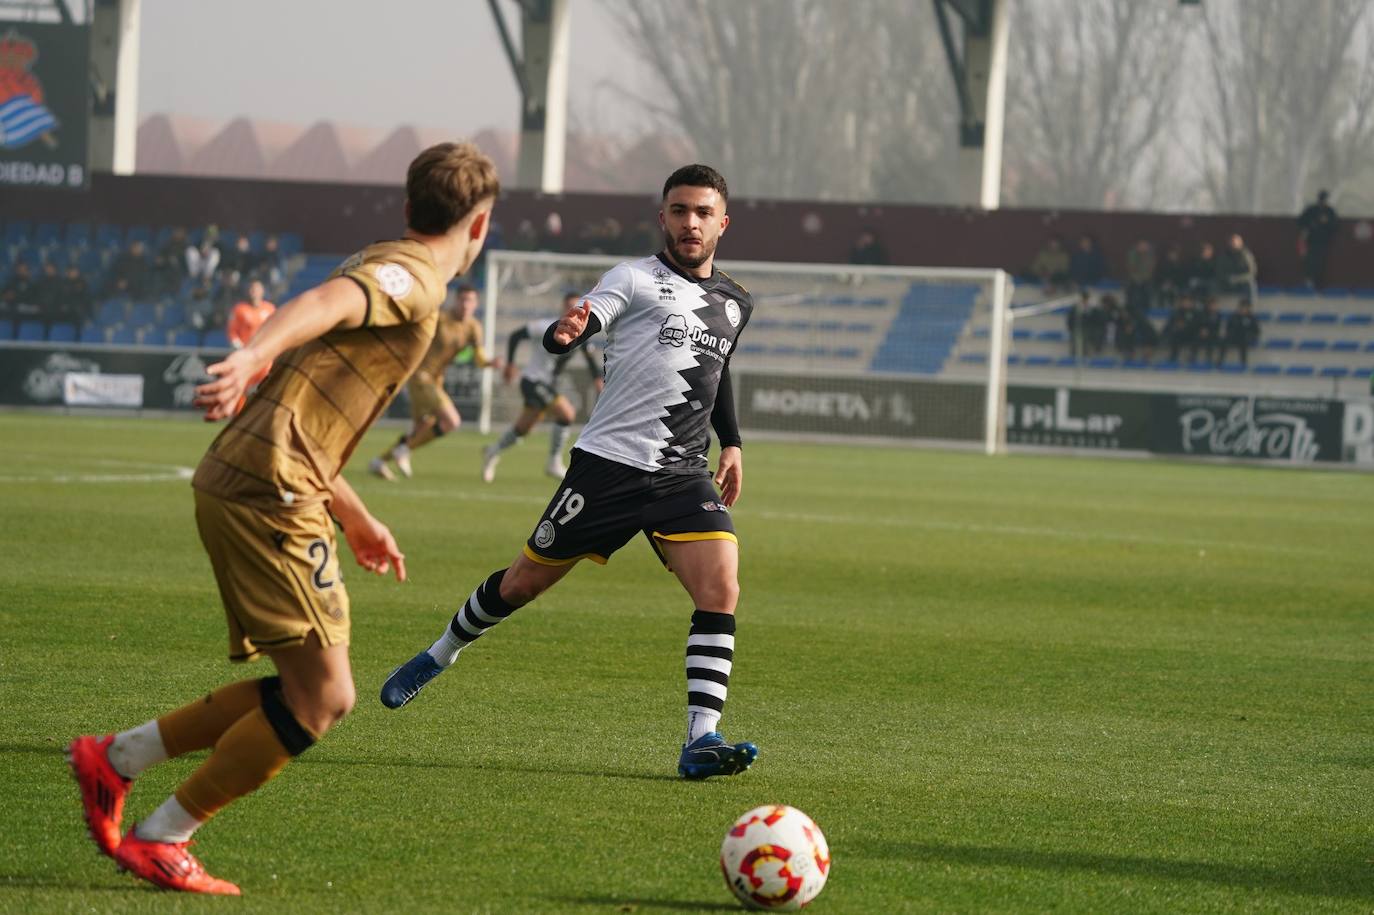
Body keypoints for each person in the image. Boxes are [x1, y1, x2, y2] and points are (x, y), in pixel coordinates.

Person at [66, 142, 500, 896]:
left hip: (265, 476)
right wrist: (252, 353)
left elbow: (315, 400)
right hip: (271, 488)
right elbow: (325, 303)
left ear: (407, 209)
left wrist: (357, 515)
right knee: (325, 696)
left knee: (303, 685)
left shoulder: (388, 253)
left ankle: (118, 759)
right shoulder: (417, 278)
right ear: (481, 225)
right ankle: (163, 834)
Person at [379, 164, 758, 782]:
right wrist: (567, 332)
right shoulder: (633, 278)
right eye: (679, 210)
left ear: (722, 222)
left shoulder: (737, 303)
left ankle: (701, 738)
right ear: (662, 217)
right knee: (523, 583)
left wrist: (733, 443)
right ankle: (439, 653)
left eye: (702, 213)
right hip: (607, 468)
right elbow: (588, 317)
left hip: (682, 474)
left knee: (721, 589)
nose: (691, 223)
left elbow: (716, 371)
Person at [370, 284, 502, 481]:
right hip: (420, 376)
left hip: (436, 381)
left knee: (422, 428)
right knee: (451, 421)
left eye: (470, 301)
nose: (466, 305)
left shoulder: (474, 327)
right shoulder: (440, 319)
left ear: (476, 304)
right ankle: (404, 450)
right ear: (455, 300)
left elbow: (479, 358)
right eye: (462, 300)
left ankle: (380, 461)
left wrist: (490, 363)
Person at [481, 292, 604, 482]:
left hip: (546, 384)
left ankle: (492, 451)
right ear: (564, 309)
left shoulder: (580, 333)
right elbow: (516, 335)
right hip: (532, 380)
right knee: (567, 414)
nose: (574, 311)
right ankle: (554, 462)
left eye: (578, 307)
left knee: (523, 429)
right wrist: (511, 364)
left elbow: (589, 358)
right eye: (570, 307)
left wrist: (597, 380)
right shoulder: (546, 326)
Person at [226, 280, 278, 413]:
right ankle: (239, 417)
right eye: (252, 289)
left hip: (265, 358)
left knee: (267, 387)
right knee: (242, 387)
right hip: (246, 357)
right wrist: (240, 349)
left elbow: (276, 330)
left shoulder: (270, 309)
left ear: (262, 291)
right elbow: (232, 332)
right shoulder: (240, 309)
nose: (254, 292)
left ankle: (262, 415)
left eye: (256, 289)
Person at [1297, 190, 1338, 289]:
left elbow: (1335, 225)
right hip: (1311, 240)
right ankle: (1309, 281)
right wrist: (1310, 225)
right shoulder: (1311, 210)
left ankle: (1319, 282)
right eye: (1322, 199)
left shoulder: (1329, 211)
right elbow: (1300, 221)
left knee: (1322, 262)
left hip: (1324, 241)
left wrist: (1326, 222)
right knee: (1310, 261)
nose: (1323, 201)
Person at [1216, 233, 1257, 298]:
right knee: (1214, 284)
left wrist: (1237, 279)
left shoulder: (1246, 255)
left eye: (1235, 242)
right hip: (1227, 283)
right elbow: (1219, 271)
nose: (1233, 244)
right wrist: (1227, 278)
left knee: (1251, 284)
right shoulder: (1223, 256)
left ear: (1240, 243)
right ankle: (1211, 307)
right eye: (1232, 242)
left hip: (1241, 283)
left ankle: (1250, 306)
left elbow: (1252, 273)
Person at [1221, 299, 1261, 367]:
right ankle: (1220, 362)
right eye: (1242, 307)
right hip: (1234, 337)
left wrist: (1251, 336)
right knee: (1223, 342)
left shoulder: (1252, 318)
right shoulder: (1234, 316)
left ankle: (1243, 364)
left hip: (1245, 338)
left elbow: (1256, 330)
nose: (1244, 309)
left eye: (1246, 307)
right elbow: (1228, 327)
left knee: (1243, 344)